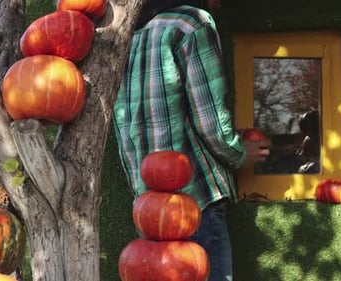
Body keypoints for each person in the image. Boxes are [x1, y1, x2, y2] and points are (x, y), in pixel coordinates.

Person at [113, 1, 270, 280]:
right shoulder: (189, 24)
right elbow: (211, 122)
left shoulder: (123, 36)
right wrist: (239, 153)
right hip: (194, 203)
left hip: (148, 209)